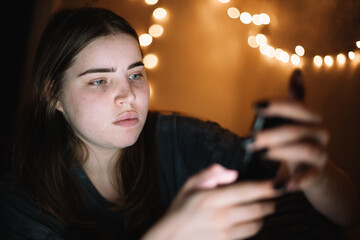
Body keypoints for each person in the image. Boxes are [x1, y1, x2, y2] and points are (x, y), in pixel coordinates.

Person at [0, 7, 359, 240]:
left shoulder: (180, 139)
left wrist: (315, 172)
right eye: (99, 81)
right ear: (53, 95)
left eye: (136, 75)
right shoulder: (20, 202)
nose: (128, 96)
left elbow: (349, 212)